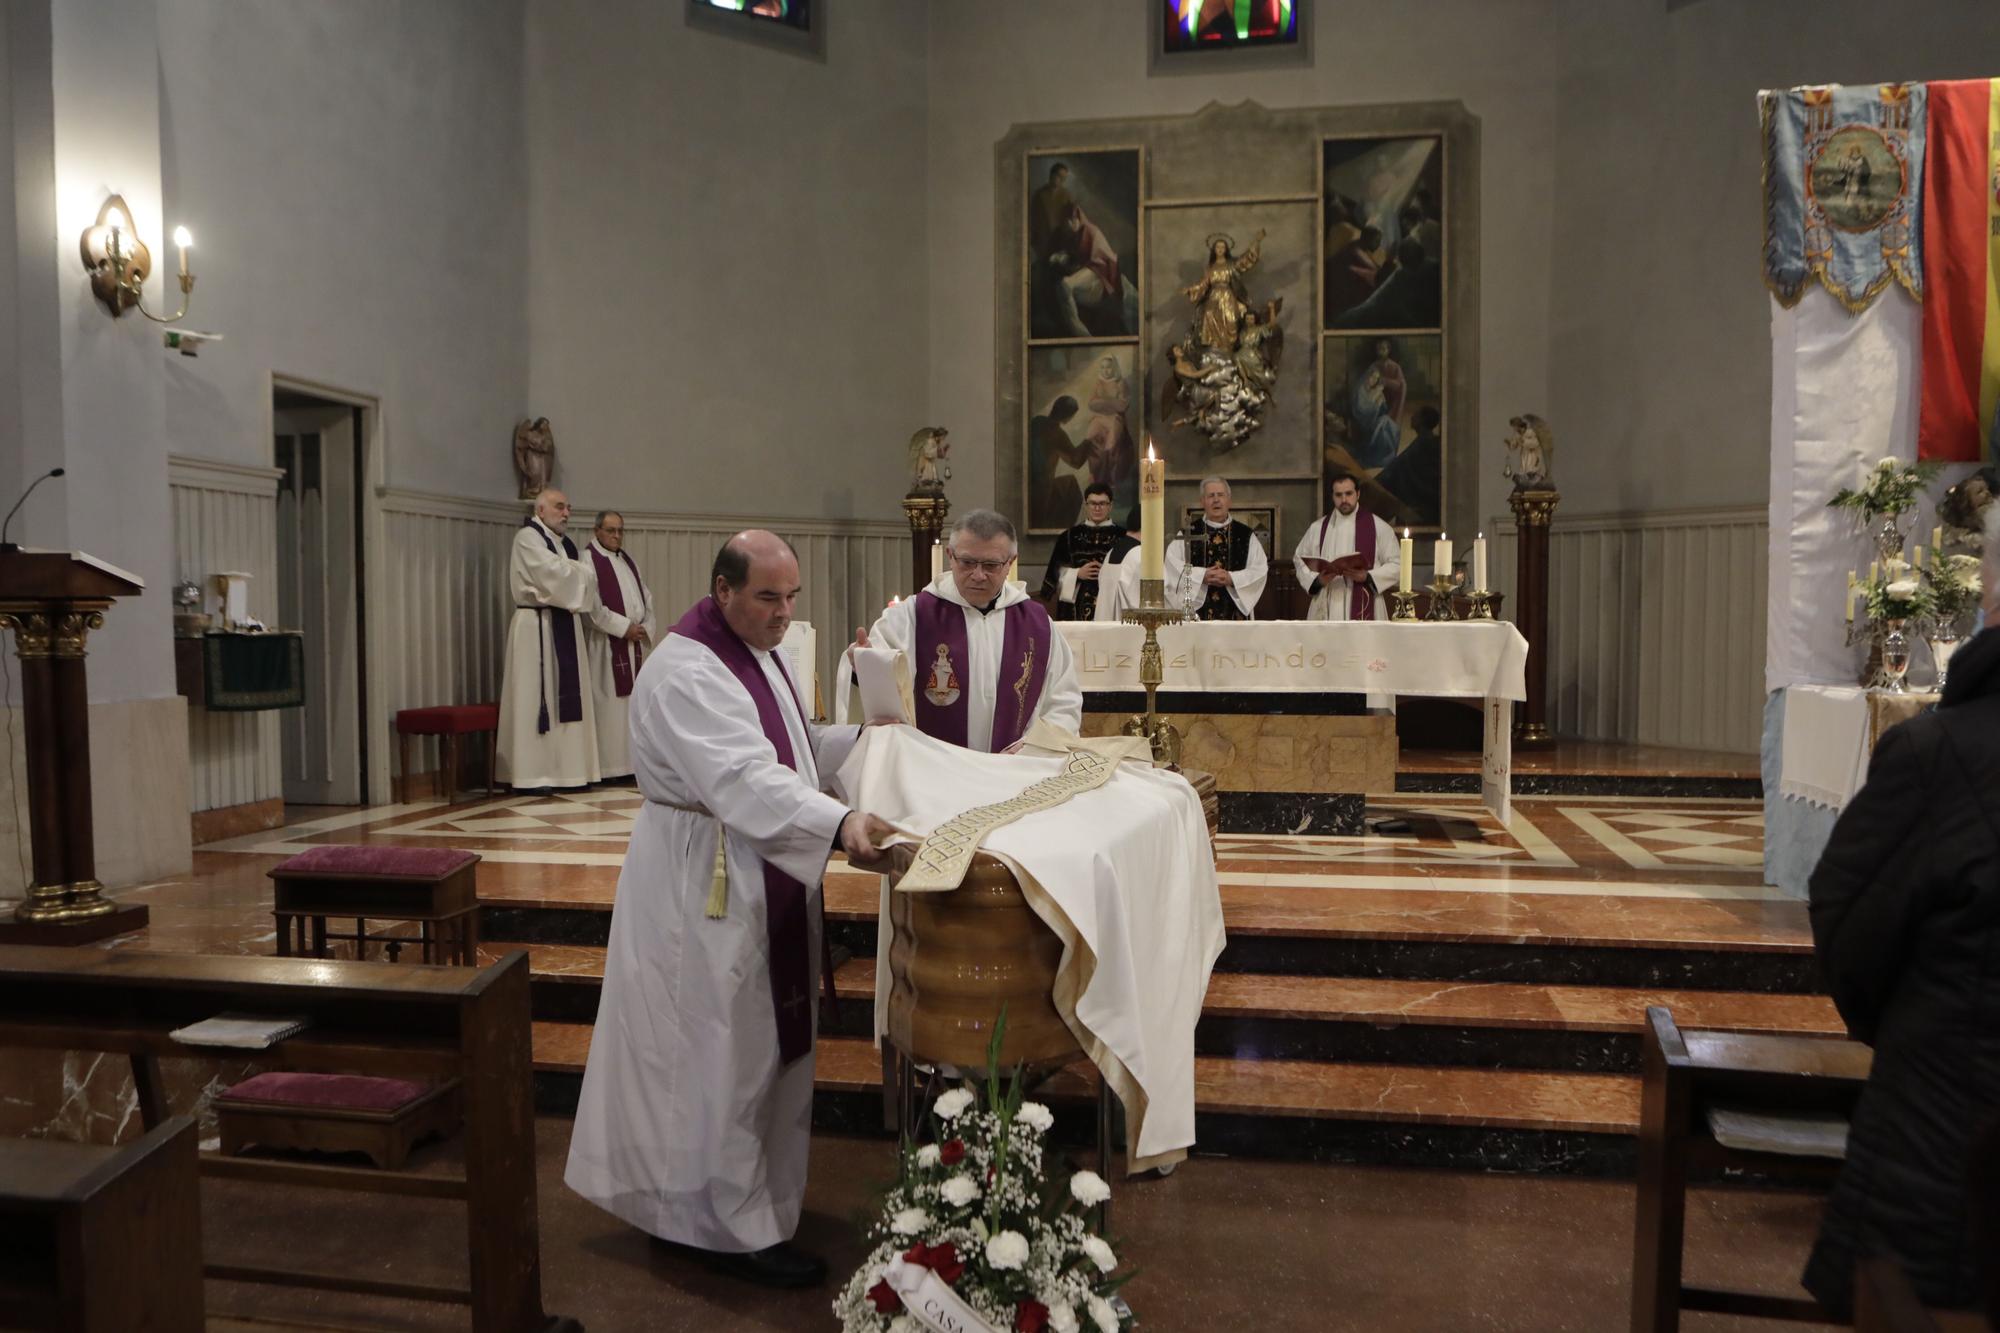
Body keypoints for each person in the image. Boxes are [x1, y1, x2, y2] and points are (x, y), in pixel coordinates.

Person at [566, 531, 895, 1290]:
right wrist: (841, 825)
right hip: (703, 873)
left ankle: (735, 1207)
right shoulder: (687, 668)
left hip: (748, 860)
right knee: (717, 1049)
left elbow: (788, 744)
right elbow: (743, 775)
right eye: (767, 598)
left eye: (791, 598)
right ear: (723, 590)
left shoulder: (755, 652)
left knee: (747, 1044)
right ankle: (724, 1225)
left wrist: (862, 740)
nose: (784, 614)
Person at [1801, 503, 2000, 1319]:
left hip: (1945, 1131)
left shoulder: (1943, 754)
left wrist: (1918, 1023)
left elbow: (1849, 919)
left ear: (1991, 592)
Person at [855, 508, 1081, 751]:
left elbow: (1063, 703)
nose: (978, 575)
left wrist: (1035, 746)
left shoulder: (1037, 625)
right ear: (950, 556)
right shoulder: (912, 616)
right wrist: (867, 661)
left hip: (1013, 773)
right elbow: (884, 693)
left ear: (1010, 563)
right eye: (967, 562)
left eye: (991, 565)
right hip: (932, 769)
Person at [497, 488, 616, 790]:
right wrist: (580, 572)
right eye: (560, 507)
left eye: (568, 508)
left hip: (562, 624)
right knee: (535, 695)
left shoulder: (563, 545)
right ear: (540, 510)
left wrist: (577, 572)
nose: (566, 513)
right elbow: (558, 577)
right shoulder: (528, 539)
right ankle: (532, 774)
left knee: (563, 695)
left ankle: (567, 771)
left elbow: (576, 577)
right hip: (535, 628)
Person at [583, 510, 657, 780]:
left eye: (620, 531)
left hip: (631, 645)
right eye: (610, 530)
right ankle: (609, 767)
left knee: (631, 706)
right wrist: (624, 628)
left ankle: (630, 765)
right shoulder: (588, 560)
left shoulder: (628, 560)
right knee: (609, 706)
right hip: (605, 647)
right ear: (597, 531)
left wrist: (643, 627)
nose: (616, 536)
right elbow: (591, 607)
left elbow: (646, 597)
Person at [1293, 472, 1399, 623]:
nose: (1344, 500)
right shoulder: (1317, 528)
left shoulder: (1379, 527)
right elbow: (1299, 559)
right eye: (1338, 495)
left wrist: (1368, 577)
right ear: (1333, 496)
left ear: (1358, 494)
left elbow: (1396, 564)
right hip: (1327, 600)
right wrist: (1317, 581)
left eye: (1348, 493)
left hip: (1365, 599)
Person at [1165, 477, 1268, 621]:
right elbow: (1171, 567)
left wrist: (1231, 578)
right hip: (1196, 615)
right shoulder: (1188, 533)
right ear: (1202, 502)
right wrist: (1201, 576)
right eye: (1210, 496)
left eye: (1220, 495)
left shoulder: (1245, 535)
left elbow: (1259, 570)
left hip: (1234, 615)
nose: (1216, 500)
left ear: (1229, 500)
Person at [1040, 483, 1137, 621]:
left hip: (1111, 603)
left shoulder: (1123, 537)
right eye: (1093, 503)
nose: (1097, 508)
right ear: (1086, 505)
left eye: (1102, 503)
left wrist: (1107, 572)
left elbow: (1131, 572)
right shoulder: (1068, 537)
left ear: (1110, 506)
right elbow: (1053, 575)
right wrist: (1076, 574)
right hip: (1074, 608)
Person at [1374, 404, 1443, 528]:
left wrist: (1371, 485)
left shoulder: (1420, 447)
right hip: (1431, 511)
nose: (1412, 417)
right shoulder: (1431, 443)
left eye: (1415, 414)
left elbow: (1394, 470)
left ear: (1421, 420)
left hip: (1418, 511)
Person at [1029, 395, 1089, 528]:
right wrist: (1088, 443)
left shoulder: (1036, 422)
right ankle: (1061, 530)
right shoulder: (1056, 433)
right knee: (1072, 489)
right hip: (1042, 488)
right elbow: (1076, 461)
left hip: (1030, 485)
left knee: (1068, 484)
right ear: (1068, 415)